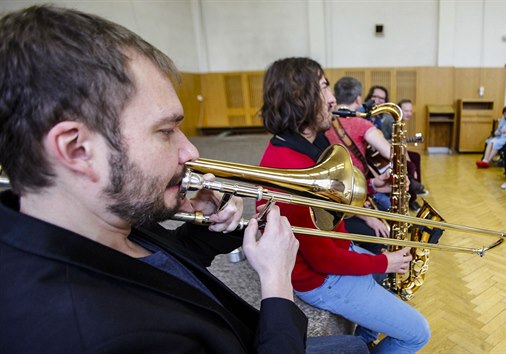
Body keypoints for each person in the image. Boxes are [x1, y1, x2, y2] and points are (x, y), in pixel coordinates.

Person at [0, 6, 368, 354]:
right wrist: (276, 285)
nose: (190, 151)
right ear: (77, 149)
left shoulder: (96, 216)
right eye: (165, 131)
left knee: (355, 346)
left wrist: (206, 231)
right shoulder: (95, 335)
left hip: (244, 332)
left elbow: (155, 268)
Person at [258, 57, 430, 353]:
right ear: (301, 98)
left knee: (381, 271)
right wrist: (384, 261)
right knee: (417, 334)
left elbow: (337, 199)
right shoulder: (291, 171)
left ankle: (359, 343)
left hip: (339, 250)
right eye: (324, 86)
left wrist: (368, 209)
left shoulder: (313, 141)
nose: (332, 98)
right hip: (321, 278)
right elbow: (323, 261)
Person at [324, 76, 391, 245]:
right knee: (389, 216)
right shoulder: (361, 124)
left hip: (333, 196)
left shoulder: (324, 124)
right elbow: (392, 153)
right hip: (353, 198)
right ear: (359, 99)